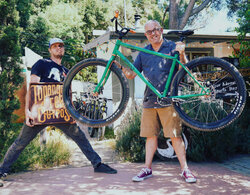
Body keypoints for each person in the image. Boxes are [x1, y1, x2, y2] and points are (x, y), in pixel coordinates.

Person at [0, 38, 117, 187]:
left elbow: (68, 97)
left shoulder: (67, 72)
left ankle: (97, 164)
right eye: (55, 46)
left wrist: (73, 114)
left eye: (61, 46)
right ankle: (2, 170)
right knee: (20, 143)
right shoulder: (42, 64)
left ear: (63, 49)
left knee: (80, 137)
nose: (58, 48)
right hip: (40, 113)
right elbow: (32, 88)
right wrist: (27, 110)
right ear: (50, 49)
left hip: (61, 113)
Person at [122, 20, 197, 183]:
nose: (153, 34)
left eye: (155, 30)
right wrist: (120, 67)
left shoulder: (171, 47)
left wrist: (182, 54)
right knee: (150, 136)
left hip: (169, 99)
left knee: (175, 136)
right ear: (146, 35)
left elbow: (182, 69)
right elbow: (131, 74)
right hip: (149, 99)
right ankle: (147, 169)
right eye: (149, 32)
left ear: (161, 30)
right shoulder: (143, 52)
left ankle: (185, 170)